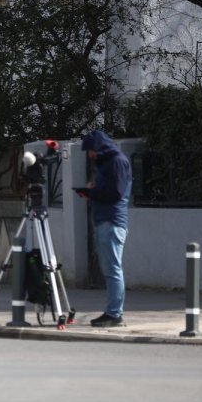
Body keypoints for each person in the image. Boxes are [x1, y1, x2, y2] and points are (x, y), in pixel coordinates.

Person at [76, 130, 132, 328]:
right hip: (106, 221)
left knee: (113, 270)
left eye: (91, 150)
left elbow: (115, 192)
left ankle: (114, 314)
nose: (90, 155)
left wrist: (92, 192)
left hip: (111, 221)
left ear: (100, 147)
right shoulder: (108, 162)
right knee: (110, 269)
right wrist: (92, 190)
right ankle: (113, 312)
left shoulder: (116, 161)